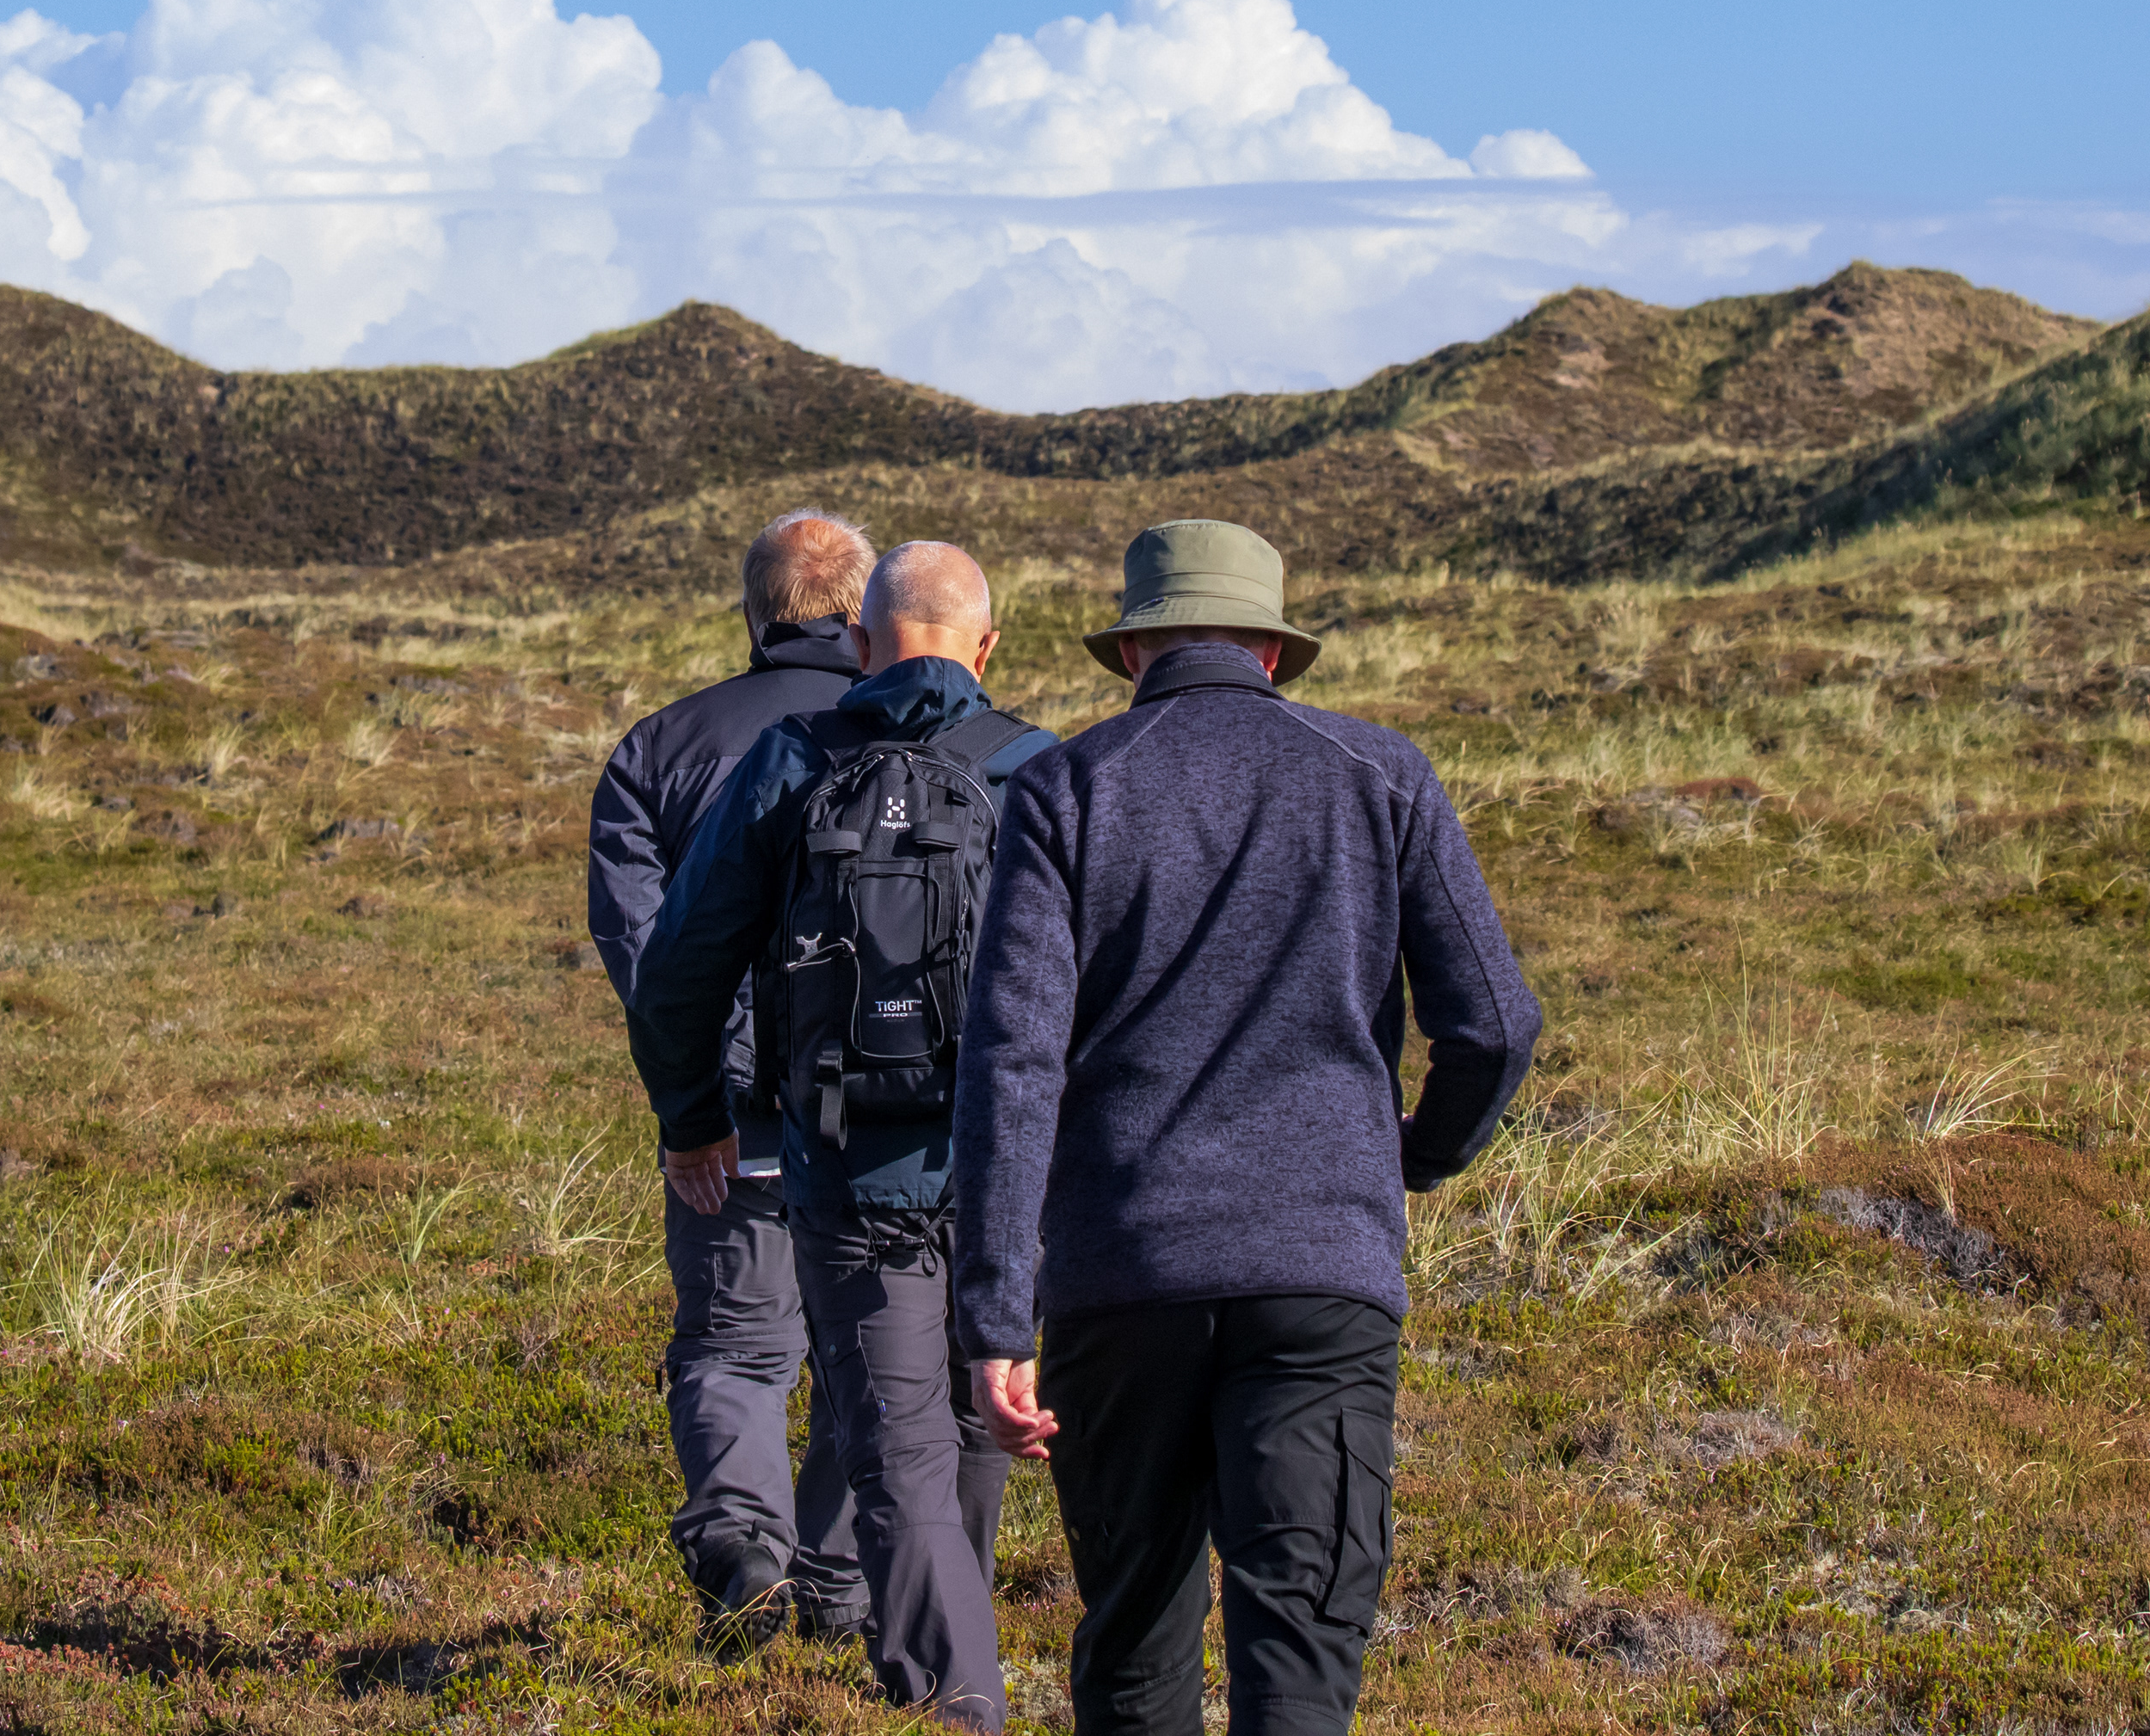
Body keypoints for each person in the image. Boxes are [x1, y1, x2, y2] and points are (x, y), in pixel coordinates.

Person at [950, 519, 1540, 1736]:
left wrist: (996, 1314)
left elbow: (1011, 1064)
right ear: (1273, 650)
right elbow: (1494, 1025)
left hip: (1119, 1277)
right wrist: (1413, 1154)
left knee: (1133, 1646)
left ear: (1134, 650)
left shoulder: (1066, 787)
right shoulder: (1382, 772)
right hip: (1321, 1274)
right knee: (1303, 1647)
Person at [627, 541, 1058, 1731]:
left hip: (845, 1166)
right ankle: (962, 1666)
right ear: (986, 647)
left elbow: (677, 974)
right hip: (1006, 1176)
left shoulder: (790, 762)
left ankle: (957, 1700)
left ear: (862, 644)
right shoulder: (1041, 771)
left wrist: (694, 1121)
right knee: (974, 1427)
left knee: (895, 1452)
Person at [589, 508, 878, 1648]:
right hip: (896, 1121)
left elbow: (647, 958)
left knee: (734, 1346)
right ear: (862, 610)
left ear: (755, 613)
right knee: (879, 1356)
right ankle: (840, 1588)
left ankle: (742, 1547)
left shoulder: (658, 748)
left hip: (736, 1120)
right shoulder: (927, 739)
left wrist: (693, 1107)